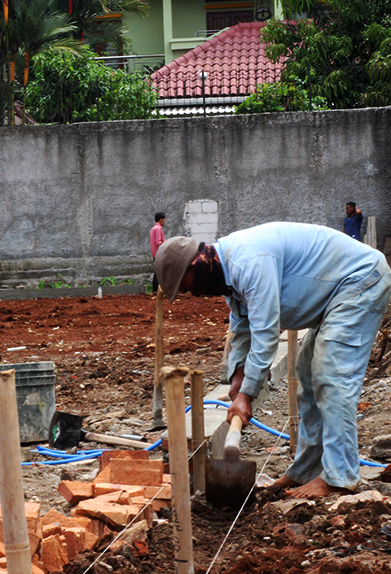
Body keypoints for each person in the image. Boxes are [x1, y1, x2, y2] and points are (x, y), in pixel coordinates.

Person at [155, 222, 391, 499]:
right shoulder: (227, 271)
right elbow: (242, 325)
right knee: (307, 372)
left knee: (332, 375)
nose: (195, 295)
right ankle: (306, 470)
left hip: (361, 280)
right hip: (337, 294)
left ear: (194, 266)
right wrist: (238, 376)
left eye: (188, 288)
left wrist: (247, 395)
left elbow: (266, 332)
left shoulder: (248, 262)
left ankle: (339, 477)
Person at [149, 212, 166, 293]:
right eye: (164, 220)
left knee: (158, 271)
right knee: (160, 272)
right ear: (161, 220)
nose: (164, 222)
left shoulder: (154, 228)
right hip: (159, 253)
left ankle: (155, 290)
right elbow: (158, 242)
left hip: (155, 253)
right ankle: (156, 290)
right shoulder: (158, 229)